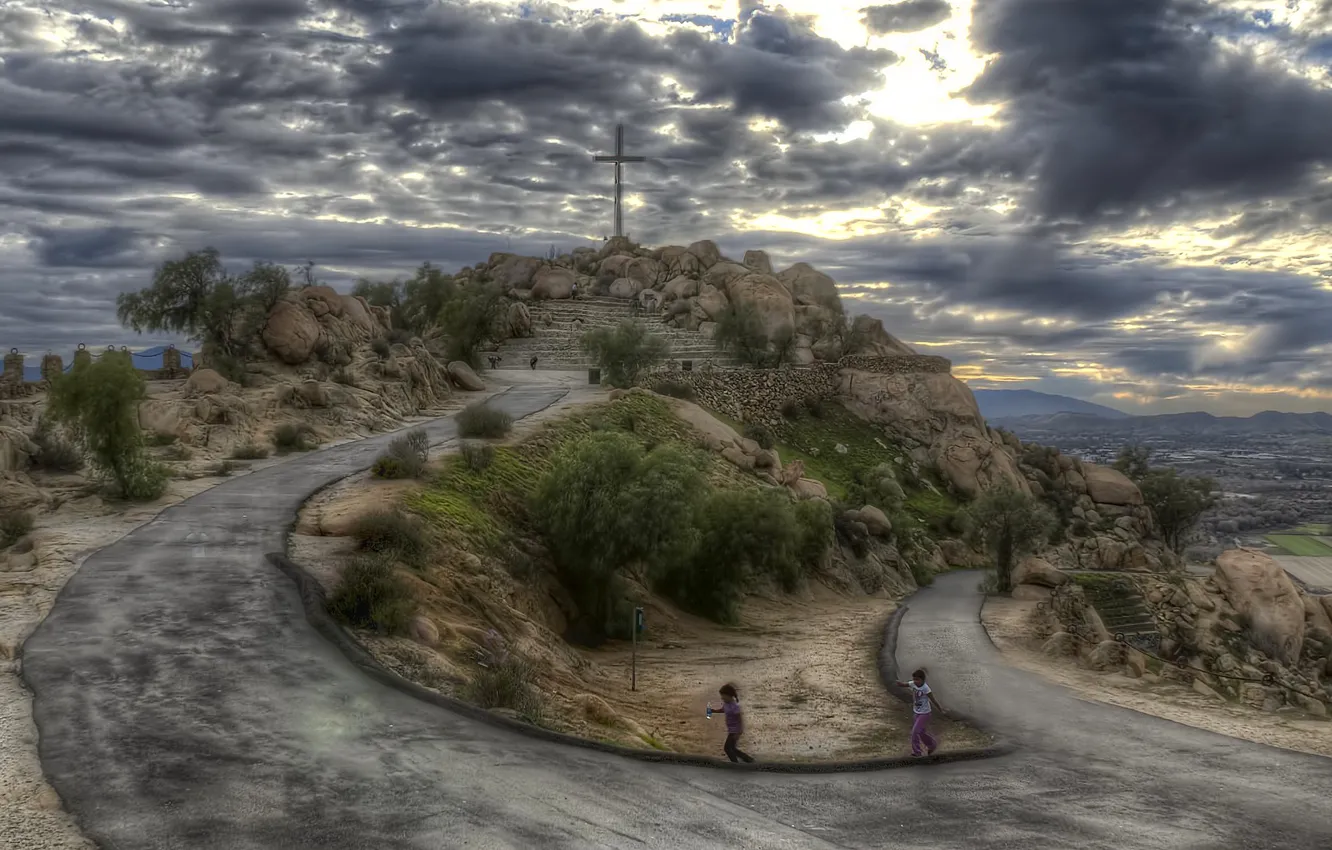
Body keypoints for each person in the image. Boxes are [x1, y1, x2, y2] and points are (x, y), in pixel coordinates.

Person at [895, 668, 945, 757]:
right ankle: (932, 745)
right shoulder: (913, 684)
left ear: (922, 680)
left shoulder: (926, 688)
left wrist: (940, 709)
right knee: (921, 732)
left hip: (925, 713)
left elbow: (933, 700)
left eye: (917, 679)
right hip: (916, 712)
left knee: (915, 732)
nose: (915, 681)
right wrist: (899, 683)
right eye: (914, 679)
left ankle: (917, 752)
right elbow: (905, 684)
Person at [709, 683, 755, 764]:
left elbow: (740, 718)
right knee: (732, 748)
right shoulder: (726, 704)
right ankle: (749, 760)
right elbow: (723, 710)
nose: (722, 698)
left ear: (729, 695)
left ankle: (735, 763)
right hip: (731, 730)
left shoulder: (735, 706)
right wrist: (713, 710)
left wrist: (739, 731)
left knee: (727, 748)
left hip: (735, 731)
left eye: (723, 696)